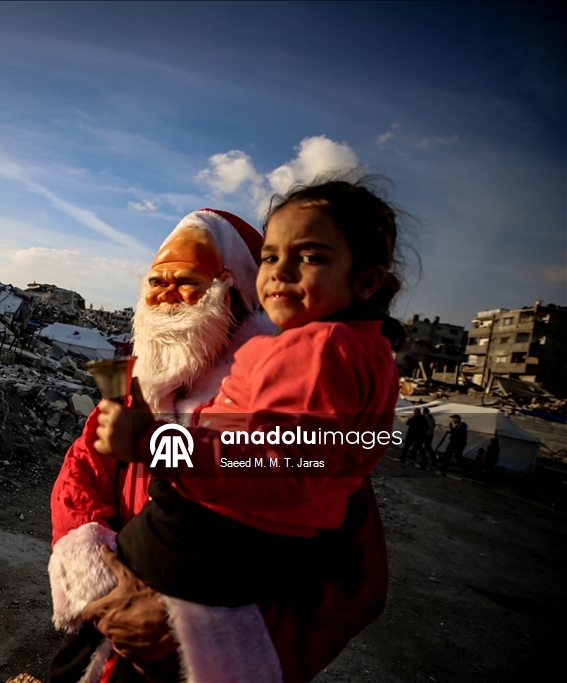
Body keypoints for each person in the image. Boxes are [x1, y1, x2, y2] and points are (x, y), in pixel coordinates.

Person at [49, 194, 392, 682]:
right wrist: (101, 589)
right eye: (156, 282)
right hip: (113, 614)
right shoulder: (135, 390)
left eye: (187, 282)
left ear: (235, 294)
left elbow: (352, 587)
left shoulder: (293, 393)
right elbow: (79, 478)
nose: (165, 294)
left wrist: (183, 636)